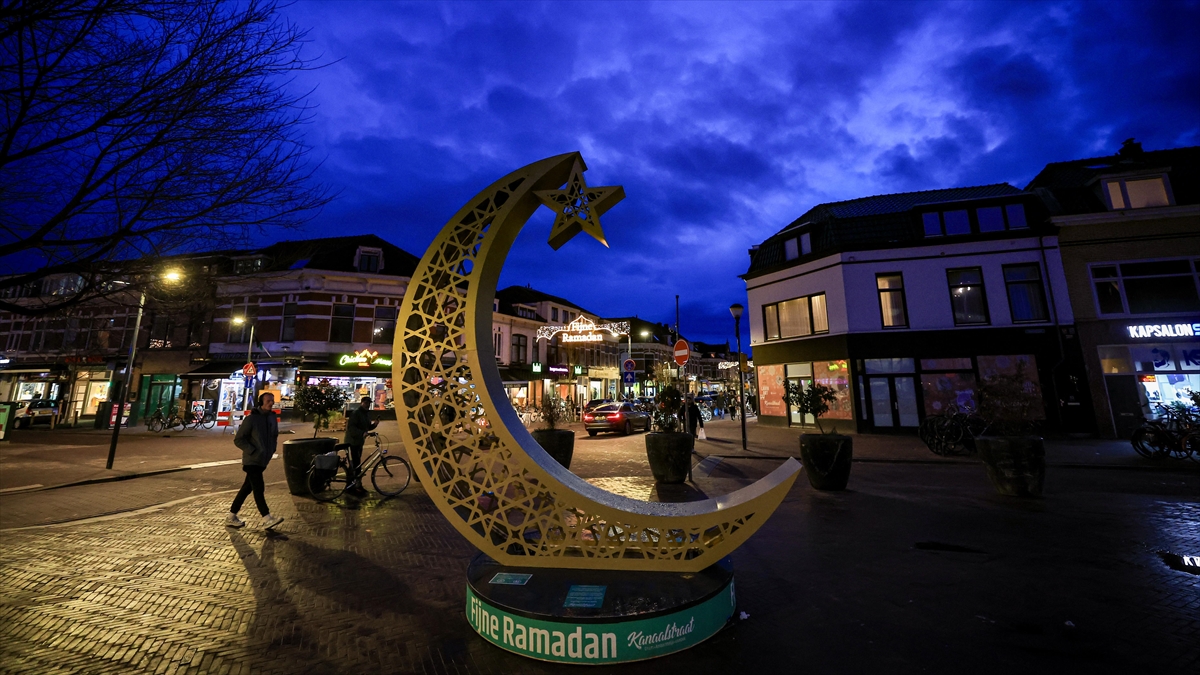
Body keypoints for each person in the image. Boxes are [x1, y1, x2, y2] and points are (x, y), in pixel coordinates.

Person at [227, 392, 283, 530]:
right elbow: (239, 439)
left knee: (247, 488)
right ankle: (267, 518)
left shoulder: (272, 418)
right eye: (268, 401)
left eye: (272, 400)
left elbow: (274, 435)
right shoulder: (251, 419)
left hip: (263, 459)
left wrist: (271, 450)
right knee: (259, 488)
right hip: (252, 460)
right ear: (261, 402)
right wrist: (252, 450)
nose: (271, 403)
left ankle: (231, 516)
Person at [343, 396, 379, 495]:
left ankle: (355, 485)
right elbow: (351, 428)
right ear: (362, 403)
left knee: (356, 464)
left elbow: (367, 427)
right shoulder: (356, 413)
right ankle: (353, 486)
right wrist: (362, 433)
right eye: (366, 403)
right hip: (352, 442)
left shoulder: (366, 414)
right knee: (356, 465)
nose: (368, 405)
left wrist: (374, 425)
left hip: (359, 442)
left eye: (369, 403)